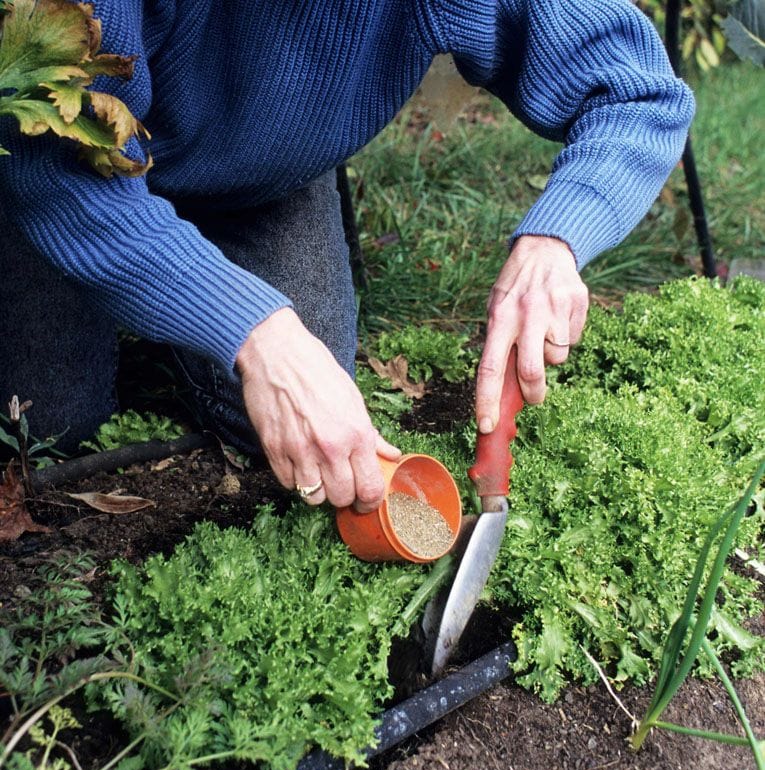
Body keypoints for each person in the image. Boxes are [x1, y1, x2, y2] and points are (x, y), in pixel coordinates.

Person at [0, 0, 694, 513]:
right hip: (73, 173)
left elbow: (635, 88)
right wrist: (255, 331)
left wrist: (556, 239)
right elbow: (54, 173)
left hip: (262, 177)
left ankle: (186, 282)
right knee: (48, 423)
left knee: (316, 435)